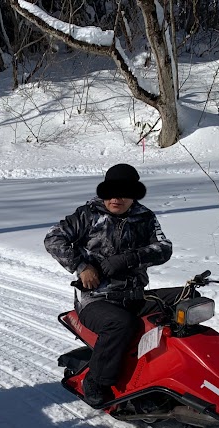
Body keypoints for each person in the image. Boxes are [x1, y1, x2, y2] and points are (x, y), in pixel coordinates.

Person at [45, 163, 175, 407]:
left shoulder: (144, 217)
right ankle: (96, 381)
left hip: (135, 295)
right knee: (121, 324)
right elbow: (53, 238)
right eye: (112, 191)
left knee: (187, 303)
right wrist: (83, 267)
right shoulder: (88, 214)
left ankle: (171, 370)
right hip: (96, 299)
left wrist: (130, 257)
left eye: (125, 192)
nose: (117, 198)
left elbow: (164, 248)